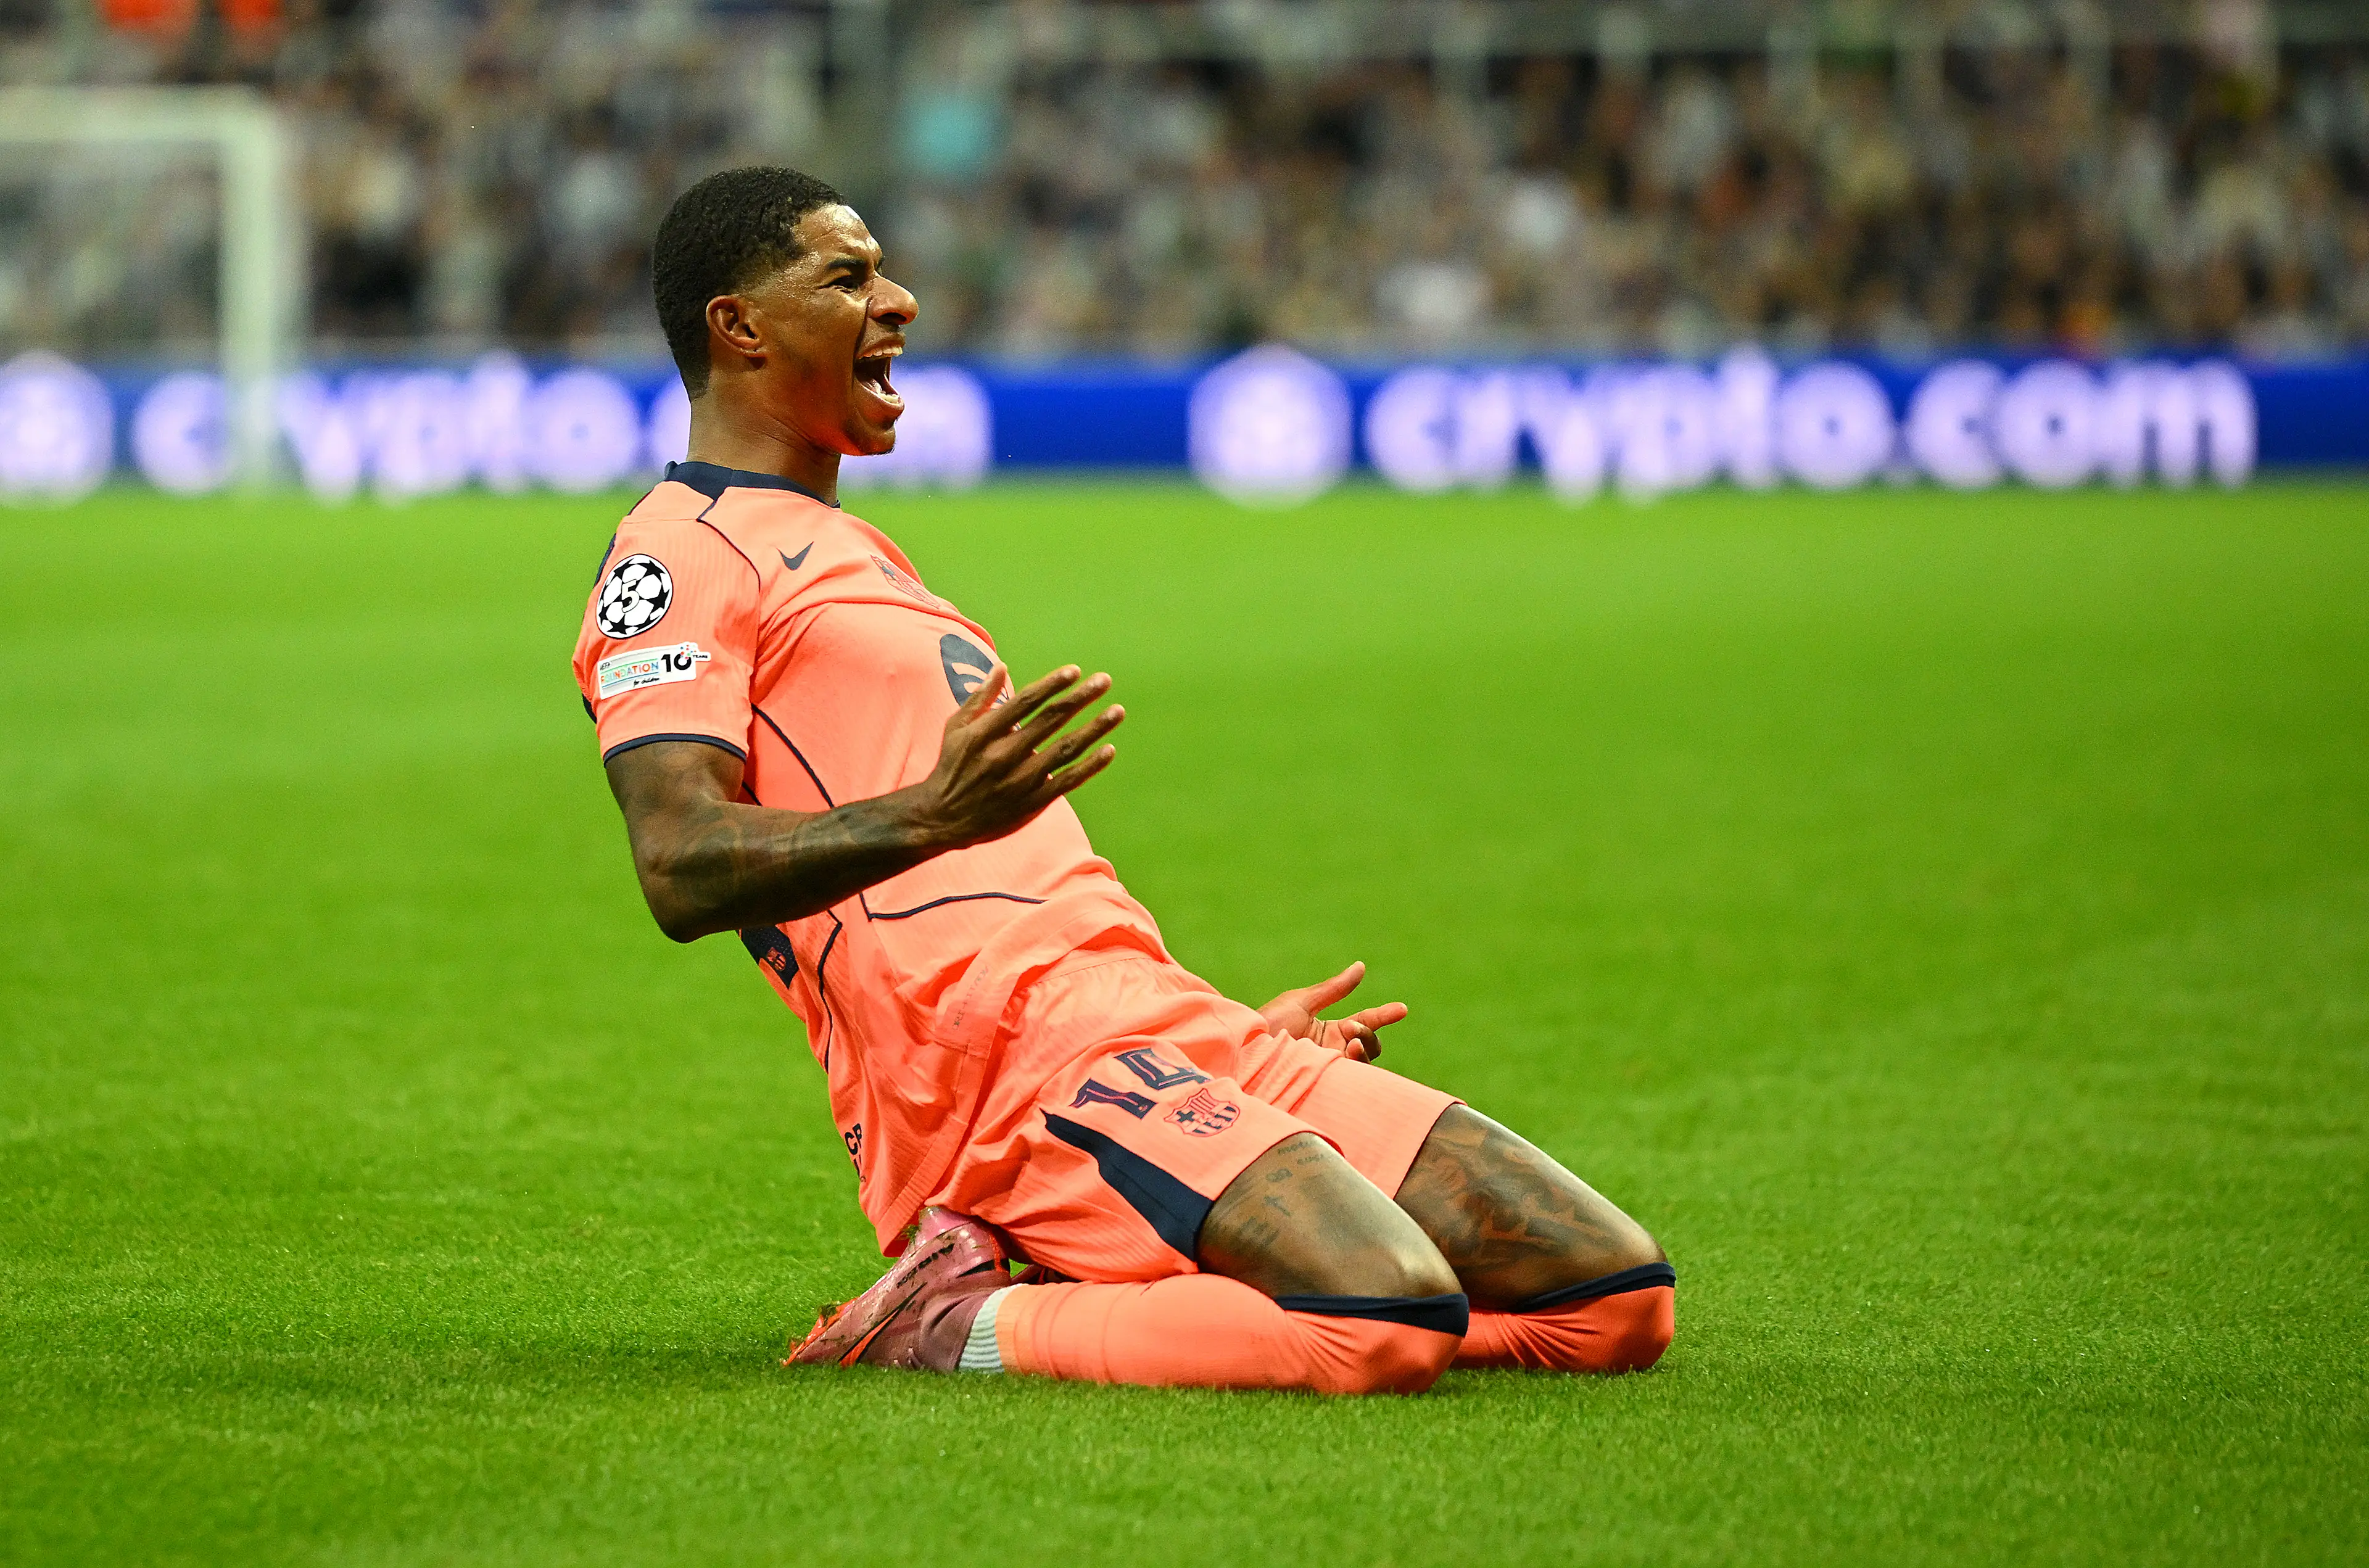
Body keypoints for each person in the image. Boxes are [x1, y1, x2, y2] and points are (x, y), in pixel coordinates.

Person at [571, 167, 1674, 1393]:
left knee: (1614, 1297)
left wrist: (1229, 1035)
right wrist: (933, 814)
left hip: (1157, 1020)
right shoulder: (677, 552)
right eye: (848, 277)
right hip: (998, 1069)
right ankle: (950, 1319)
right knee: (1380, 1319)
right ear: (739, 326)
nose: (901, 300)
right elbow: (677, 862)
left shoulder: (851, 546)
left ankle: (1172, 1269)